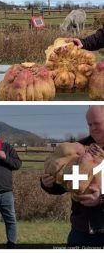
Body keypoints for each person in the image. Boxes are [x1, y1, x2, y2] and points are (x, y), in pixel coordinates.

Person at [41, 105, 104, 247]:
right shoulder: (78, 148)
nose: (93, 128)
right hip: (81, 229)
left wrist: (101, 198)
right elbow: (67, 181)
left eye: (97, 123)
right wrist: (49, 184)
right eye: (89, 124)